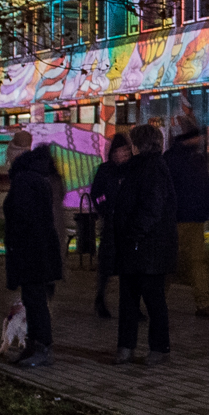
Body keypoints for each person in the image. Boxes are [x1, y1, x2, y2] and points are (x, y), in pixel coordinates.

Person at [112, 123, 178, 365]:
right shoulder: (138, 168)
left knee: (153, 300)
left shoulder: (152, 168)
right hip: (137, 247)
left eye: (132, 144)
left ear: (139, 145)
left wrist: (134, 232)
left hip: (148, 247)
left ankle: (159, 348)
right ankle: (126, 346)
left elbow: (152, 207)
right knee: (129, 300)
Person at [2, 133, 63, 367]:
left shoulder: (25, 179)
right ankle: (34, 345)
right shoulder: (35, 176)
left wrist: (18, 243)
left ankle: (42, 347)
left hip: (31, 251)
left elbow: (24, 217)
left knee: (36, 301)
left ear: (16, 154)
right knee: (32, 299)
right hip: (36, 250)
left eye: (9, 155)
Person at [163, 112, 209, 318]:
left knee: (194, 262)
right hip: (181, 219)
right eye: (197, 136)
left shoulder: (186, 158)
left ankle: (203, 302)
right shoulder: (184, 159)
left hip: (189, 217)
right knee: (177, 262)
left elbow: (204, 186)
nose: (200, 139)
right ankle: (200, 302)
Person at [88, 132, 133, 318]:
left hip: (129, 224)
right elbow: (96, 193)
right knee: (107, 265)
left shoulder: (133, 170)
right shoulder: (106, 170)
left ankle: (130, 305)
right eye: (118, 151)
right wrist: (104, 208)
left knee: (129, 266)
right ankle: (100, 299)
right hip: (111, 223)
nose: (121, 155)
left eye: (125, 151)